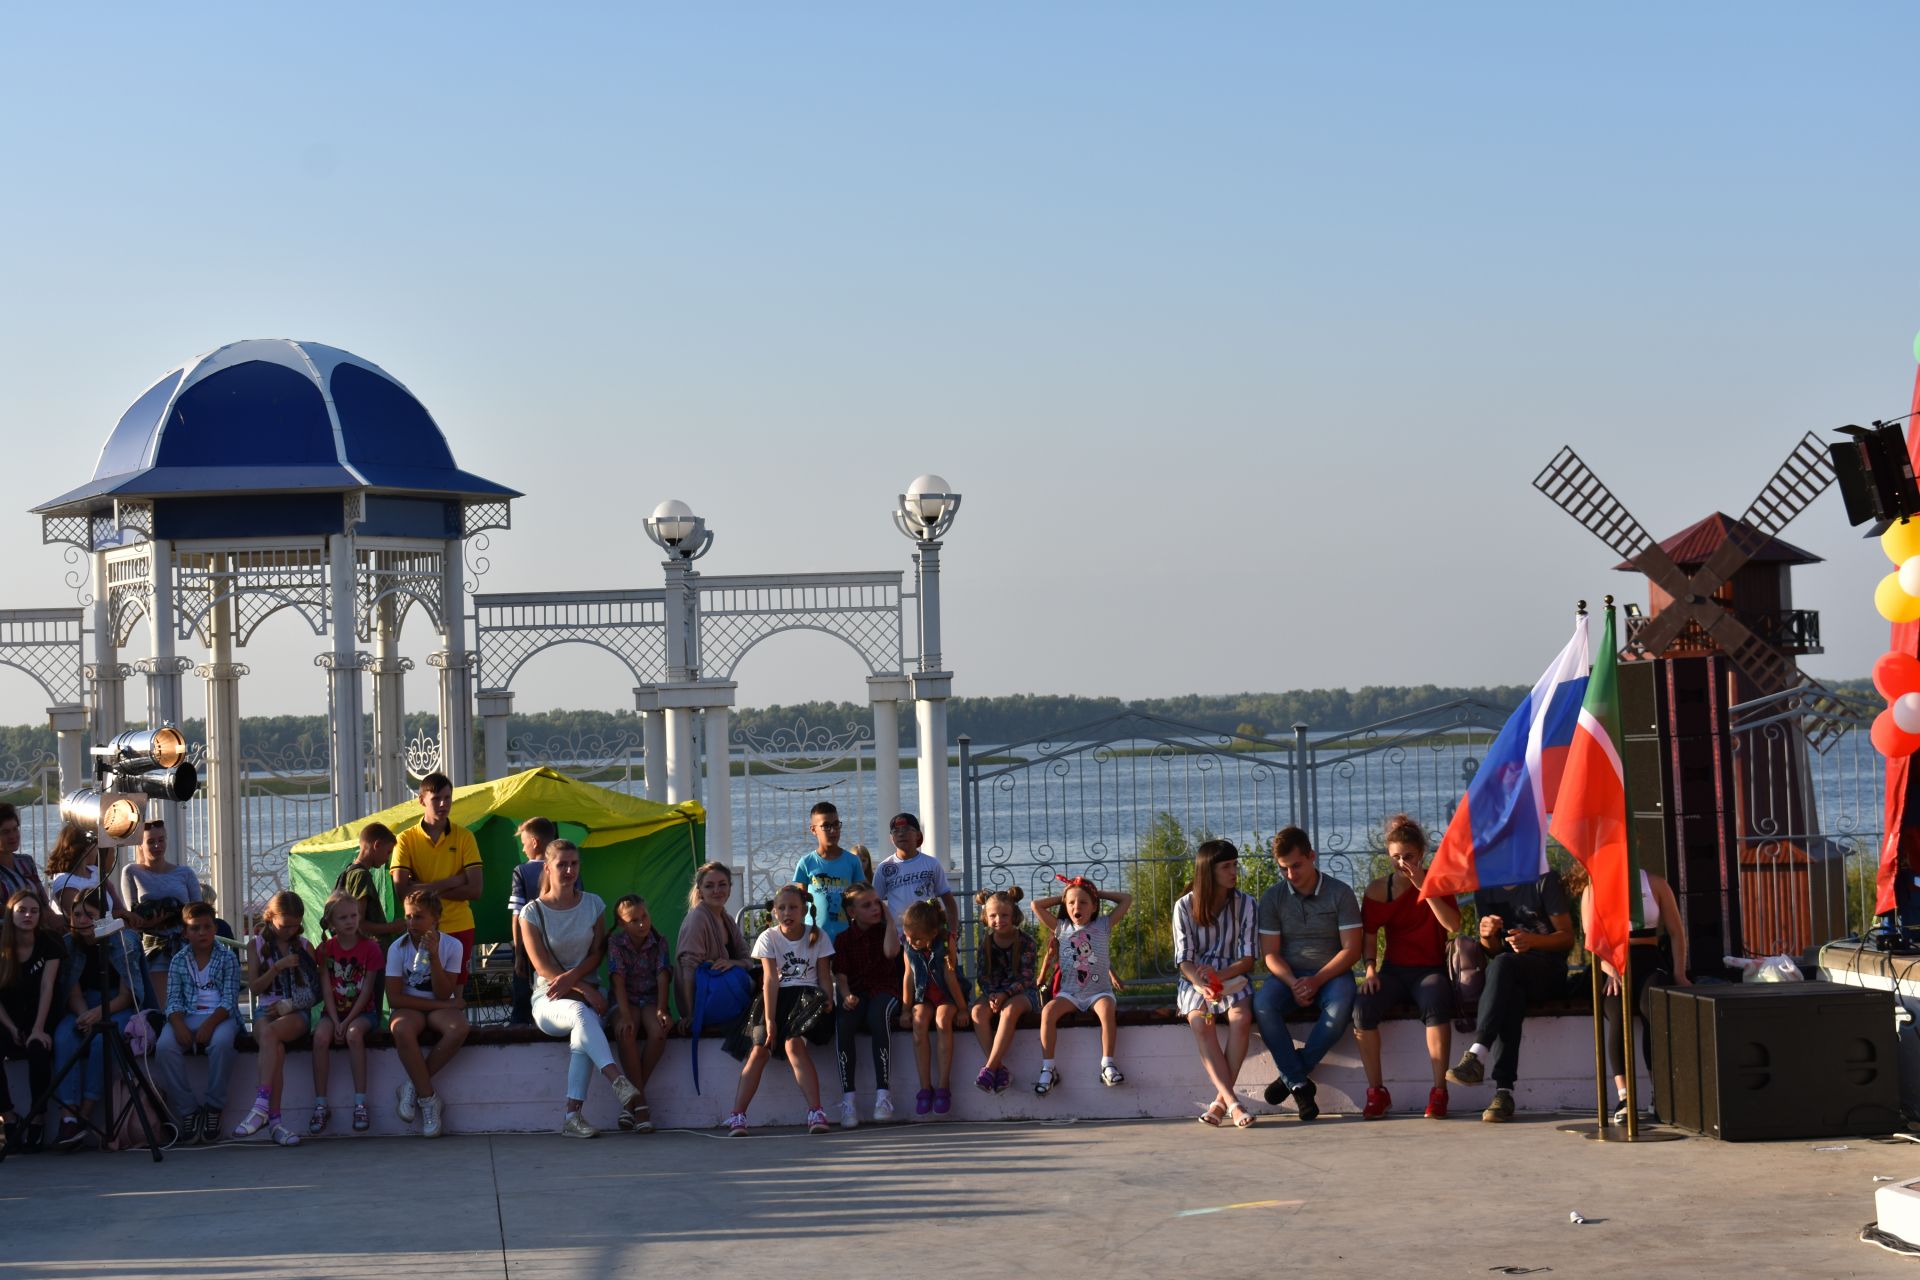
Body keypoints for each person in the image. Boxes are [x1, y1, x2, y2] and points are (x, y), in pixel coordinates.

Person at [522, 840, 644, 1138]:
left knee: (582, 1031)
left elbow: (596, 955)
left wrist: (579, 982)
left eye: (574, 864)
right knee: (580, 1010)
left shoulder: (594, 904)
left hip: (588, 997)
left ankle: (571, 1117)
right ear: (547, 867)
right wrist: (583, 990)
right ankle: (617, 1079)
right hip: (548, 998)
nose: (568, 870)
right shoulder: (531, 912)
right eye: (562, 864)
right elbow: (541, 968)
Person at [1445, 865, 1576, 1122]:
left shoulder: (1543, 880)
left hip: (1549, 971)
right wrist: (1487, 937)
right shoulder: (1486, 889)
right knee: (1510, 994)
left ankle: (1477, 1053)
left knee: (1504, 965)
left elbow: (1568, 938)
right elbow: (1493, 950)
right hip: (1512, 974)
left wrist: (1532, 941)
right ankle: (1503, 1093)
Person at [1353, 815, 1461, 1120]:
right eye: (1396, 858)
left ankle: (1439, 1091)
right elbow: (1369, 935)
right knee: (1362, 1007)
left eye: (1409, 857)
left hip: (1430, 969)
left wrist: (1422, 887)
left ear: (1422, 854)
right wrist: (1371, 970)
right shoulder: (1379, 889)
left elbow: (1452, 925)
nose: (1403, 863)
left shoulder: (1439, 882)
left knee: (1437, 1001)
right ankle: (1377, 1092)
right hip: (1394, 970)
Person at [1254, 827, 1362, 1121]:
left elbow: (1351, 951)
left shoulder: (1340, 893)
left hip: (1331, 973)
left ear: (1312, 856)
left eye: (1296, 865)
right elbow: (1270, 955)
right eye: (1283, 869)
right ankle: (1300, 1085)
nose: (1290, 874)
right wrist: (1293, 983)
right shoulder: (1273, 897)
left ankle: (1291, 1075)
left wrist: (1316, 981)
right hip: (1288, 975)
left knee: (1340, 1007)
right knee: (1263, 1004)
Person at [726, 883, 836, 1137]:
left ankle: (816, 1112)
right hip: (774, 998)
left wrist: (828, 999)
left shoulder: (817, 936)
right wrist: (769, 1019)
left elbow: (823, 975)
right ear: (774, 912)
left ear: (804, 910)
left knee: (793, 1045)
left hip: (807, 999)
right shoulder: (769, 937)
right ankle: (737, 1115)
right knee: (759, 1050)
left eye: (794, 908)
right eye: (782, 908)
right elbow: (770, 980)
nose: (788, 912)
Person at [1581, 866, 1688, 1122]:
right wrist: (1610, 970)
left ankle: (1658, 1093)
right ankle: (1624, 1097)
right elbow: (1592, 941)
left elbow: (1676, 932)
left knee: (1653, 1007)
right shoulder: (1592, 888)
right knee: (1618, 1012)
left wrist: (1679, 973)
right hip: (1611, 964)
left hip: (1649, 959)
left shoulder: (1655, 882)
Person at [50, 889, 150, 1150]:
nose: (82, 920)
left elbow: (130, 994)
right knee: (64, 1038)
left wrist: (99, 1015)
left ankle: (85, 1113)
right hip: (82, 1004)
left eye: (89, 915)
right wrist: (85, 1015)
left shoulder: (123, 940)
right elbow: (71, 989)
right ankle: (68, 1117)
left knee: (100, 1042)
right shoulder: (69, 944)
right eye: (77, 913)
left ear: (102, 916)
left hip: (116, 1004)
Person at [1174, 840, 1259, 1128]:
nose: (1234, 871)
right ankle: (1233, 1103)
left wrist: (1218, 977)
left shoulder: (1246, 904)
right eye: (1226, 867)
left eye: (1235, 864)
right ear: (1208, 871)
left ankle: (1220, 1104)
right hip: (1196, 980)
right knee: (1201, 1023)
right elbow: (1184, 960)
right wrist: (1201, 981)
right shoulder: (1184, 906)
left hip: (1231, 977)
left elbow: (1248, 959)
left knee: (1242, 1017)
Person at [234, 891, 320, 1146]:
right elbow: (255, 988)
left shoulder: (304, 947)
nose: (290, 931)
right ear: (270, 918)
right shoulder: (257, 945)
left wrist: (288, 1005)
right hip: (265, 1010)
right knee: (276, 1049)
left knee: (271, 1035)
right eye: (285, 925)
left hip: (295, 1012)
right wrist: (276, 967)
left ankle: (260, 1106)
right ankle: (275, 1122)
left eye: (296, 926)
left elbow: (315, 993)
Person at [1031, 877, 1132, 1095]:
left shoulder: (1103, 925)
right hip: (1070, 994)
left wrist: (1097, 893)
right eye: (1071, 903)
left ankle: (1107, 1064)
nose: (1077, 907)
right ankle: (1048, 1068)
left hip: (1099, 992)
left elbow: (1126, 899)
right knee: (1048, 1011)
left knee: (1107, 1010)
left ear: (1094, 906)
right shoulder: (1061, 927)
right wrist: (1067, 894)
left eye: (1084, 902)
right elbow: (1035, 905)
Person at [154, 901, 239, 1147]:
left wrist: (210, 1025)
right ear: (185, 932)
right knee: (164, 1047)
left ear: (215, 929)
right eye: (194, 928)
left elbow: (230, 1000)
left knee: (222, 1044)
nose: (201, 932)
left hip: (219, 1016)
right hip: (187, 1015)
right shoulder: (179, 960)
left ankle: (213, 1107)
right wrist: (178, 1024)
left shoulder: (227, 958)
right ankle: (188, 1110)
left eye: (206, 927)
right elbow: (172, 1001)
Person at [385, 889, 469, 1138]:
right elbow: (395, 998)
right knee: (401, 1028)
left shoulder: (453, 946)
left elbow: (444, 994)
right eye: (408, 917)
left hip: (437, 1003)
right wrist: (445, 1006)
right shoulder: (397, 948)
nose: (412, 923)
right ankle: (429, 1099)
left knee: (459, 1028)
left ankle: (413, 1085)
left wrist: (433, 957)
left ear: (436, 919)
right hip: (410, 1006)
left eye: (419, 917)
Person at [391, 773, 482, 983]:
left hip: (460, 926)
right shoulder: (405, 839)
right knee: (420, 989)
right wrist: (453, 881)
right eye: (436, 799)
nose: (443, 804)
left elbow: (475, 890)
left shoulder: (465, 837)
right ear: (422, 800)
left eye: (447, 798)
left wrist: (423, 889)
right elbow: (402, 892)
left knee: (455, 994)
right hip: (421, 929)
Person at [310, 893, 384, 1134]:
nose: (350, 921)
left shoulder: (371, 948)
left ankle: (360, 1102)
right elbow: (326, 989)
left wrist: (347, 1020)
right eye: (343, 917)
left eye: (353, 915)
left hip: (363, 1013)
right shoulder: (325, 950)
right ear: (332, 923)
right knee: (320, 1038)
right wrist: (334, 1019)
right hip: (334, 1013)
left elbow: (367, 991)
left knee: (353, 1035)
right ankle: (321, 1104)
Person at [831, 883, 902, 1126]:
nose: (875, 908)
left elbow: (892, 954)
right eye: (867, 905)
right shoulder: (843, 939)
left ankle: (883, 1094)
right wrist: (847, 994)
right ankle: (848, 1100)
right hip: (857, 991)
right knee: (844, 1022)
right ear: (852, 912)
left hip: (886, 990)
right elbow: (841, 975)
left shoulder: (886, 931)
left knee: (877, 1016)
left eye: (877, 904)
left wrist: (890, 921)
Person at [0, 888, 61, 1150]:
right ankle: (9, 1116)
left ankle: (38, 1117)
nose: (28, 915)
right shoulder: (2, 945)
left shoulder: (50, 941)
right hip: (7, 1019)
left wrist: (38, 1028)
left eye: (34, 911)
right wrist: (12, 1028)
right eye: (22, 910)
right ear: (10, 913)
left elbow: (48, 986)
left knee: (38, 1051)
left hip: (41, 1016)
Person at [117, 820, 202, 1009]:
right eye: (151, 841)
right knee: (164, 1007)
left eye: (161, 840)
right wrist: (151, 922)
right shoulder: (131, 871)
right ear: (140, 844)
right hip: (154, 947)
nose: (157, 846)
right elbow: (132, 916)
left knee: (192, 1004)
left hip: (185, 942)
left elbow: (200, 912)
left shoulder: (185, 873)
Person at [607, 894, 672, 1132]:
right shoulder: (616, 943)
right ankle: (641, 1105)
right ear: (623, 924)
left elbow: (663, 975)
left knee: (659, 1031)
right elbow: (617, 980)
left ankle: (631, 1102)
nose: (642, 923)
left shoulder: (659, 940)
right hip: (626, 999)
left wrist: (662, 1009)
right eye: (634, 920)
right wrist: (624, 1015)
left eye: (644, 916)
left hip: (651, 999)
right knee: (627, 1031)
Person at [900, 898, 970, 1116]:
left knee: (942, 1021)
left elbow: (950, 978)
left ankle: (943, 1085)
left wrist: (962, 1008)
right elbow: (908, 976)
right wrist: (905, 1008)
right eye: (909, 937)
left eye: (918, 939)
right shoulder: (908, 944)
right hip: (924, 994)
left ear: (932, 933)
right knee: (919, 1022)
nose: (912, 942)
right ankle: (924, 1086)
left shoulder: (945, 943)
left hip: (947, 995)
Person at [968, 887, 1036, 1095]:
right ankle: (999, 1069)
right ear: (986, 918)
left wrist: (1005, 995)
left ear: (1014, 915)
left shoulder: (1026, 942)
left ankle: (989, 1069)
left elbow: (1026, 977)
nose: (999, 920)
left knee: (1009, 1011)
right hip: (994, 994)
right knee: (977, 1012)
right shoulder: (986, 943)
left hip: (1022, 994)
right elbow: (983, 976)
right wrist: (991, 995)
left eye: (1004, 915)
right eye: (993, 916)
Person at [675, 861, 752, 1033]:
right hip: (704, 1003)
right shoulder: (698, 919)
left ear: (730, 889)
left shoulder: (728, 920)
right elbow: (688, 969)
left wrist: (732, 962)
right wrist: (690, 1015)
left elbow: (747, 960)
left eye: (722, 885)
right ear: (700, 891)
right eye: (709, 886)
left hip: (725, 996)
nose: (717, 890)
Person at [870, 813, 959, 938]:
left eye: (906, 829)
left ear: (918, 834)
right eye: (896, 831)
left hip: (930, 936)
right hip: (899, 939)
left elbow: (949, 902)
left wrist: (953, 933)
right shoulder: (884, 868)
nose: (901, 834)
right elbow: (875, 904)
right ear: (891, 838)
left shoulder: (931, 864)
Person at [507, 816, 558, 1025]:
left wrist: (518, 952)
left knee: (523, 995)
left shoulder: (522, 871)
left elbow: (517, 915)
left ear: (534, 842)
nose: (524, 847)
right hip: (559, 944)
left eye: (524, 842)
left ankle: (521, 1028)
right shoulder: (567, 867)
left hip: (529, 947)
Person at [794, 801, 867, 941]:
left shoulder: (852, 861)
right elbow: (800, 904)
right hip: (815, 937)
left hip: (847, 937)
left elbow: (862, 898)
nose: (833, 830)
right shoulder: (806, 863)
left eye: (836, 824)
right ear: (813, 830)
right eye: (826, 826)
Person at [44, 824, 129, 926]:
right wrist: (119, 914)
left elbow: (118, 906)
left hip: (111, 930)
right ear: (85, 849)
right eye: (95, 847)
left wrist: (128, 916)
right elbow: (81, 918)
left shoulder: (95, 871)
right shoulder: (64, 881)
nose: (97, 852)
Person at [332, 822, 404, 942]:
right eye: (388, 852)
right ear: (377, 845)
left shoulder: (349, 871)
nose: (387, 858)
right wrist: (392, 927)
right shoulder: (361, 876)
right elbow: (358, 924)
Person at [0, 804, 44, 904]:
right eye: (5, 832)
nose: (13, 836)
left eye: (15, 829)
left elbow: (43, 900)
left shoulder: (26, 861)